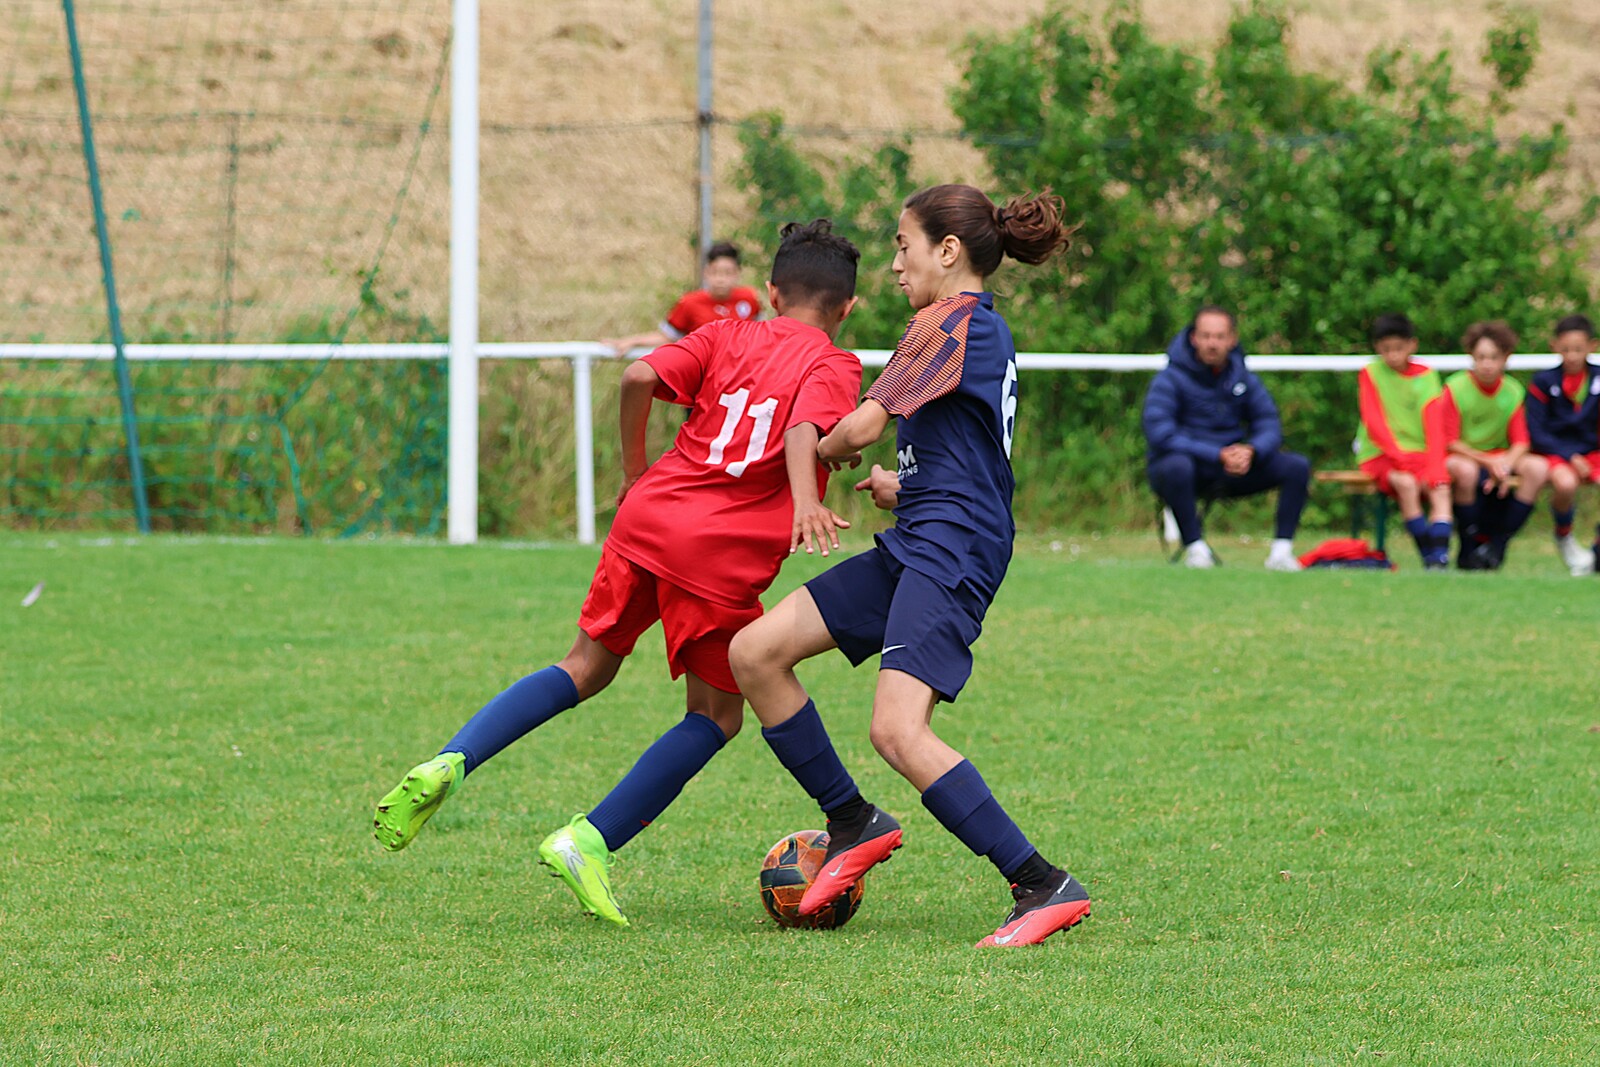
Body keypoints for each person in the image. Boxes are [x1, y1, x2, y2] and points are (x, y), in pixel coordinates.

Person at [372, 221, 863, 926]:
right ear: (847, 307)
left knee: (583, 667)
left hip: (648, 517)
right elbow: (805, 430)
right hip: (717, 553)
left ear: (772, 292)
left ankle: (451, 760)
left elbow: (637, 375)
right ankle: (590, 840)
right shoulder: (833, 363)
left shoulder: (725, 333)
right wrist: (813, 488)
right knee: (716, 715)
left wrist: (636, 472)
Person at [728, 184, 1088, 949]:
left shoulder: (948, 320)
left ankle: (1040, 882)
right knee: (755, 652)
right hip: (924, 533)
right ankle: (852, 820)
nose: (895, 264)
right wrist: (907, 483)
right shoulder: (972, 326)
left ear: (947, 250)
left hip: (951, 546)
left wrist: (810, 441)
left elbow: (858, 426)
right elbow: (971, 446)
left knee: (896, 729)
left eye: (903, 245)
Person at [1142, 306, 1312, 571]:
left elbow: (1269, 422)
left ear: (1232, 339)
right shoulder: (1169, 380)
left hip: (1234, 467)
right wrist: (1216, 454)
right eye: (1206, 336)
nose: (1213, 343)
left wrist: (1251, 450)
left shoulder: (1244, 378)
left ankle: (1281, 553)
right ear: (1193, 338)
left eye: (1220, 336)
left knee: (1297, 466)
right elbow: (1160, 433)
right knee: (1176, 466)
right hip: (1193, 467)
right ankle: (1196, 550)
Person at [1431, 321, 1548, 570]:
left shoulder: (1512, 390)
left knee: (1538, 468)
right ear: (1471, 357)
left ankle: (1498, 543)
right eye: (1481, 357)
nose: (1487, 364)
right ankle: (1468, 542)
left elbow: (1521, 441)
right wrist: (1489, 462)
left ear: (1506, 358)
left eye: (1494, 357)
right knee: (1466, 471)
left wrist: (1504, 465)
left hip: (1499, 457)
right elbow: (1450, 441)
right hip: (1465, 456)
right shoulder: (1455, 387)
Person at [1354, 313, 1452, 568]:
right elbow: (1374, 421)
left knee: (1440, 487)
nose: (1393, 355)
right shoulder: (1371, 373)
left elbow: (1434, 424)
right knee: (1406, 484)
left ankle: (1440, 557)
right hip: (1381, 455)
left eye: (1398, 348)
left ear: (1412, 345)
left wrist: (1436, 467)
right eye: (1386, 349)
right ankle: (1428, 555)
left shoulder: (1427, 376)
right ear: (1377, 348)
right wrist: (1397, 455)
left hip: (1419, 455)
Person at [1525, 314, 1600, 576]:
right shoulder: (1543, 381)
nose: (1572, 356)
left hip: (1593, 452)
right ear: (1554, 346)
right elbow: (1537, 432)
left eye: (1578, 349)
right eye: (1566, 349)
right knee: (1566, 484)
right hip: (1555, 451)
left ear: (1592, 346)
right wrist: (1571, 456)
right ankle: (1564, 535)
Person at [602, 241, 763, 354]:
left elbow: (759, 336)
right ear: (706, 272)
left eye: (727, 273)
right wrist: (633, 341)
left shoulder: (749, 299)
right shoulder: (690, 302)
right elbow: (667, 336)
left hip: (739, 380)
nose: (721, 279)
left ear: (737, 273)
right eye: (715, 272)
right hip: (702, 380)